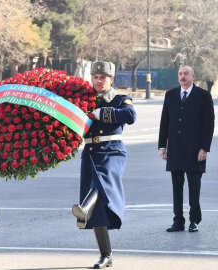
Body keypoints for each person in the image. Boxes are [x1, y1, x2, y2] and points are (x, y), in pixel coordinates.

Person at [71, 61, 136, 269]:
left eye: (103, 78)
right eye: (95, 77)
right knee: (98, 210)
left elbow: (130, 115)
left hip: (112, 150)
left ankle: (83, 209)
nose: (98, 81)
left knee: (102, 181)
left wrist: (103, 113)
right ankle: (105, 255)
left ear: (111, 79)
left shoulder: (119, 98)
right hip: (90, 152)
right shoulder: (85, 99)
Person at [158, 65, 215, 233]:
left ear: (193, 76)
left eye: (186, 74)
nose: (182, 77)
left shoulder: (203, 96)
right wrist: (162, 146)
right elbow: (164, 122)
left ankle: (194, 220)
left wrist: (204, 148)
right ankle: (178, 221)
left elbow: (209, 124)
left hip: (195, 150)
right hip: (175, 149)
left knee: (194, 188)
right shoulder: (170, 95)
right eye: (180, 74)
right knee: (177, 188)